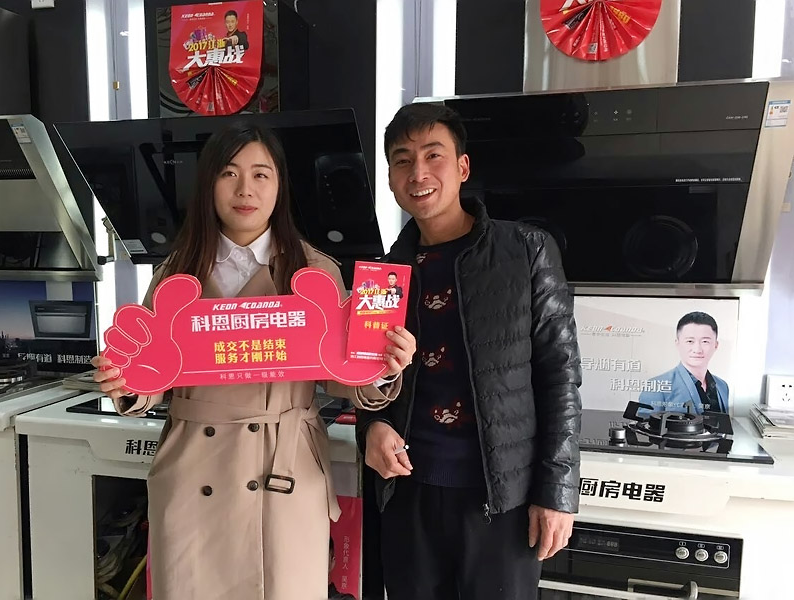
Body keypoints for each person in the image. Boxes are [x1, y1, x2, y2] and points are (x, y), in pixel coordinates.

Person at [92, 124, 415, 599]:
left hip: (282, 475)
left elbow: (342, 376)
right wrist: (126, 382)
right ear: (209, 184)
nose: (246, 189)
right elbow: (152, 377)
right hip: (195, 474)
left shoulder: (314, 270)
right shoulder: (174, 273)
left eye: (261, 174)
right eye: (229, 173)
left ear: (280, 186)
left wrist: (383, 366)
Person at [356, 103, 582, 600]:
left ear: (462, 167)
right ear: (390, 179)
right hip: (409, 493)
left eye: (433, 155)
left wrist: (557, 493)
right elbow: (366, 380)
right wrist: (371, 427)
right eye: (402, 160)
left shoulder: (526, 250)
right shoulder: (383, 276)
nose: (418, 173)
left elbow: (560, 375)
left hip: (503, 499)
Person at [638, 311, 729, 414]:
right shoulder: (656, 386)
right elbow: (645, 424)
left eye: (705, 341)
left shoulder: (722, 386)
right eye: (690, 341)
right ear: (677, 343)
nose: (697, 349)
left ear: (716, 345)